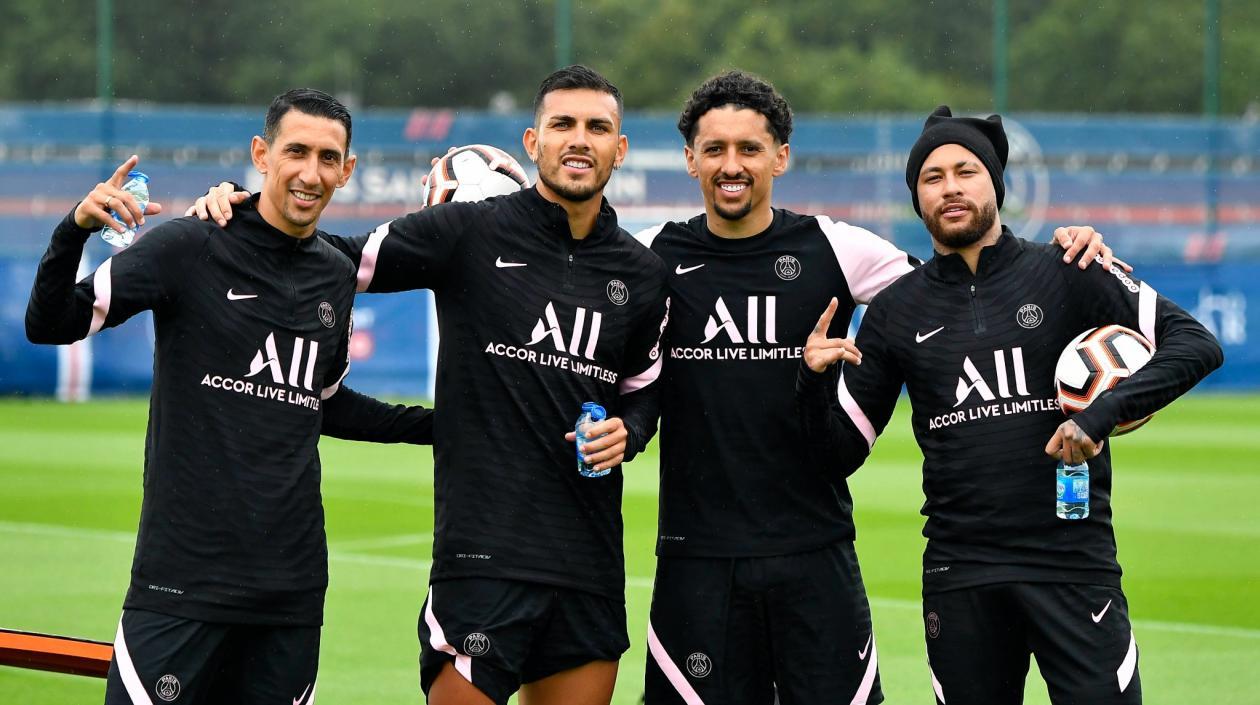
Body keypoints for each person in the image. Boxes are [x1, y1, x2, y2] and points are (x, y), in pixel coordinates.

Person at [632, 72, 1119, 705]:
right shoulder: (647, 260)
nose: (732, 165)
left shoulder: (838, 248)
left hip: (816, 554)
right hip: (694, 561)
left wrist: (1070, 254)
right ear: (690, 158)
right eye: (715, 149)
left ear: (780, 156)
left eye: (749, 148)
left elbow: (956, 294)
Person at [190, 65, 669, 705]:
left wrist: (629, 431)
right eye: (563, 125)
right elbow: (327, 252)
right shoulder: (469, 230)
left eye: (597, 127)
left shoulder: (641, 273)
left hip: (590, 570)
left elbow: (644, 391)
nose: (579, 140)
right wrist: (239, 208)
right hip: (482, 565)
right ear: (533, 143)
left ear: (620, 147)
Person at [797, 105, 1223, 704]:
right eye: (932, 177)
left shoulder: (1070, 268)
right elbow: (837, 455)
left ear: (995, 183)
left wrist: (1098, 416)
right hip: (960, 575)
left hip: (1073, 565)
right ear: (917, 198)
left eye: (965, 171)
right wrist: (812, 381)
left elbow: (1196, 344)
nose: (950, 188)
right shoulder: (897, 309)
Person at [25, 88, 434, 705]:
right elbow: (49, 322)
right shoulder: (190, 244)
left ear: (347, 171)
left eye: (329, 159)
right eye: (296, 152)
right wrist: (74, 228)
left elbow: (321, 403)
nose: (310, 173)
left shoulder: (333, 273)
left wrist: (443, 424)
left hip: (290, 596)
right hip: (181, 586)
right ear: (261, 154)